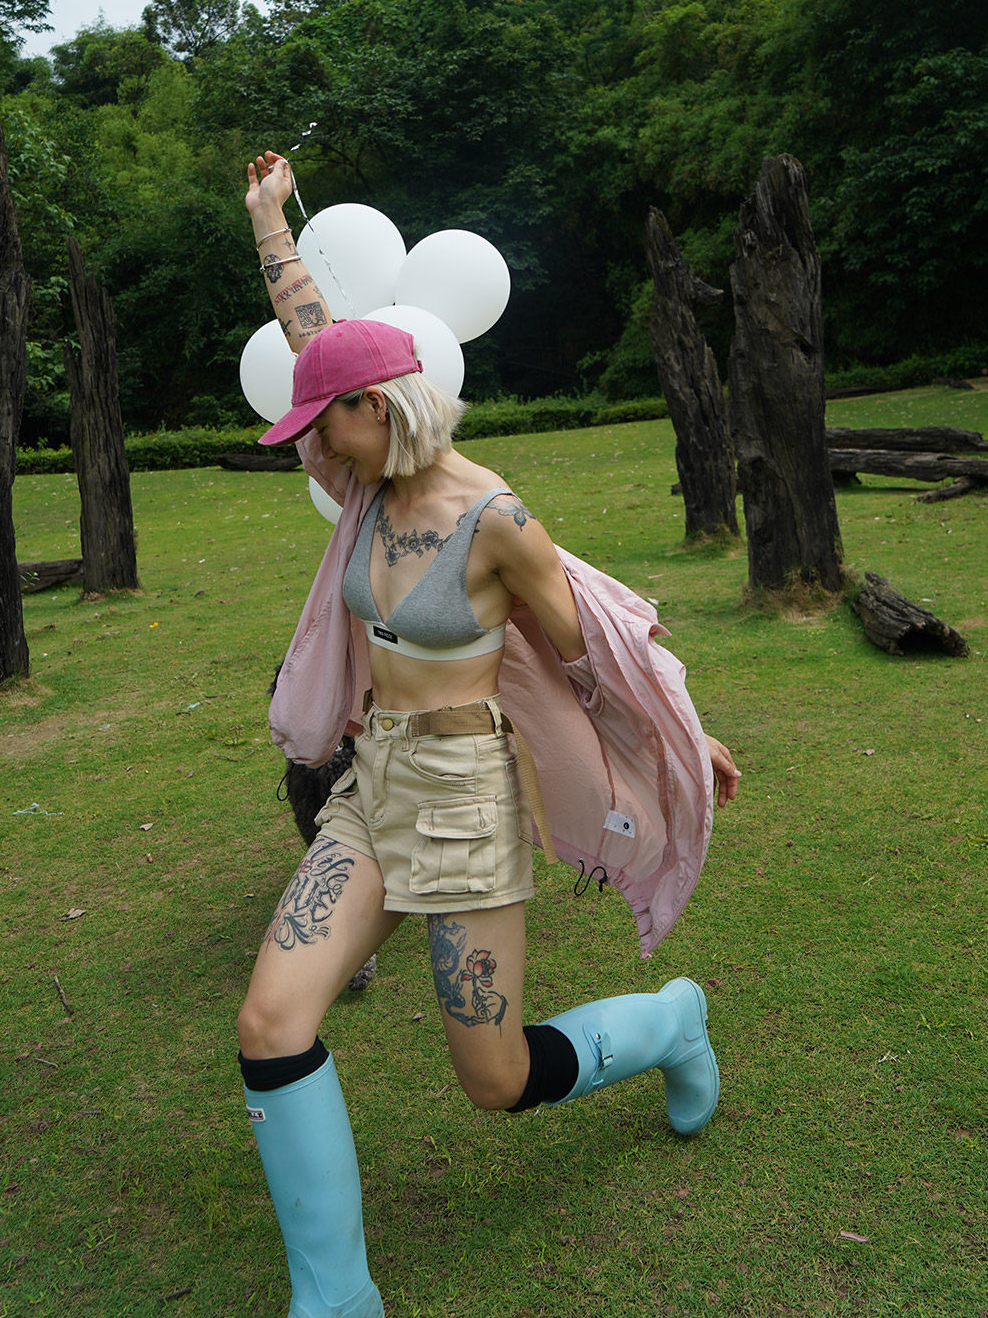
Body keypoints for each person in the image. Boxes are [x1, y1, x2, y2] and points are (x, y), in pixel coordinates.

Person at [238, 151, 740, 1318]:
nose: (314, 445)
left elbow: (591, 657)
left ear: (380, 409)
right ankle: (337, 1296)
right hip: (373, 785)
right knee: (270, 1021)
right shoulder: (363, 486)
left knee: (496, 1078)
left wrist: (683, 738)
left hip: (466, 797)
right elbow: (319, 333)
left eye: (328, 424)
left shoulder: (496, 521)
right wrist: (269, 221)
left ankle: (673, 1022)